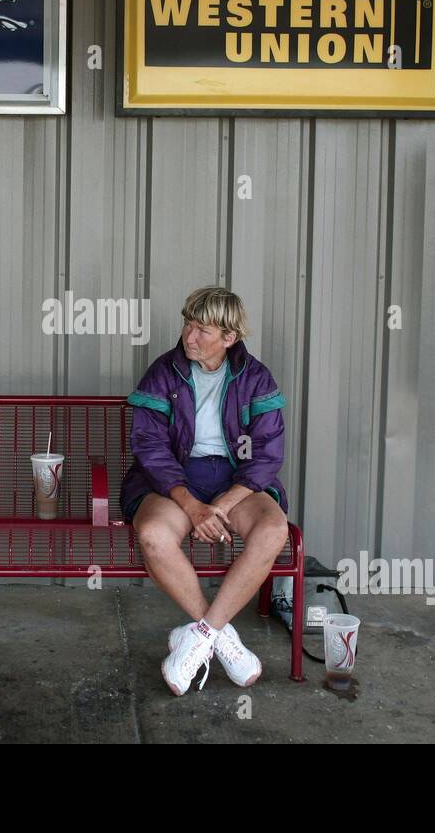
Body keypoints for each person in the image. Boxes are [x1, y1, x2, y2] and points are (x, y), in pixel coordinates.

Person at [121, 286, 290, 695]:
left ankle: (199, 636)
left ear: (229, 338)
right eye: (187, 324)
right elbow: (149, 447)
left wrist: (221, 505)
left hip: (236, 482)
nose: (188, 336)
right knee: (153, 536)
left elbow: (267, 454)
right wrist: (193, 507)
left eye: (202, 330)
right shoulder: (165, 372)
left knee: (273, 530)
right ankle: (222, 638)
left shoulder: (255, 377)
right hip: (173, 479)